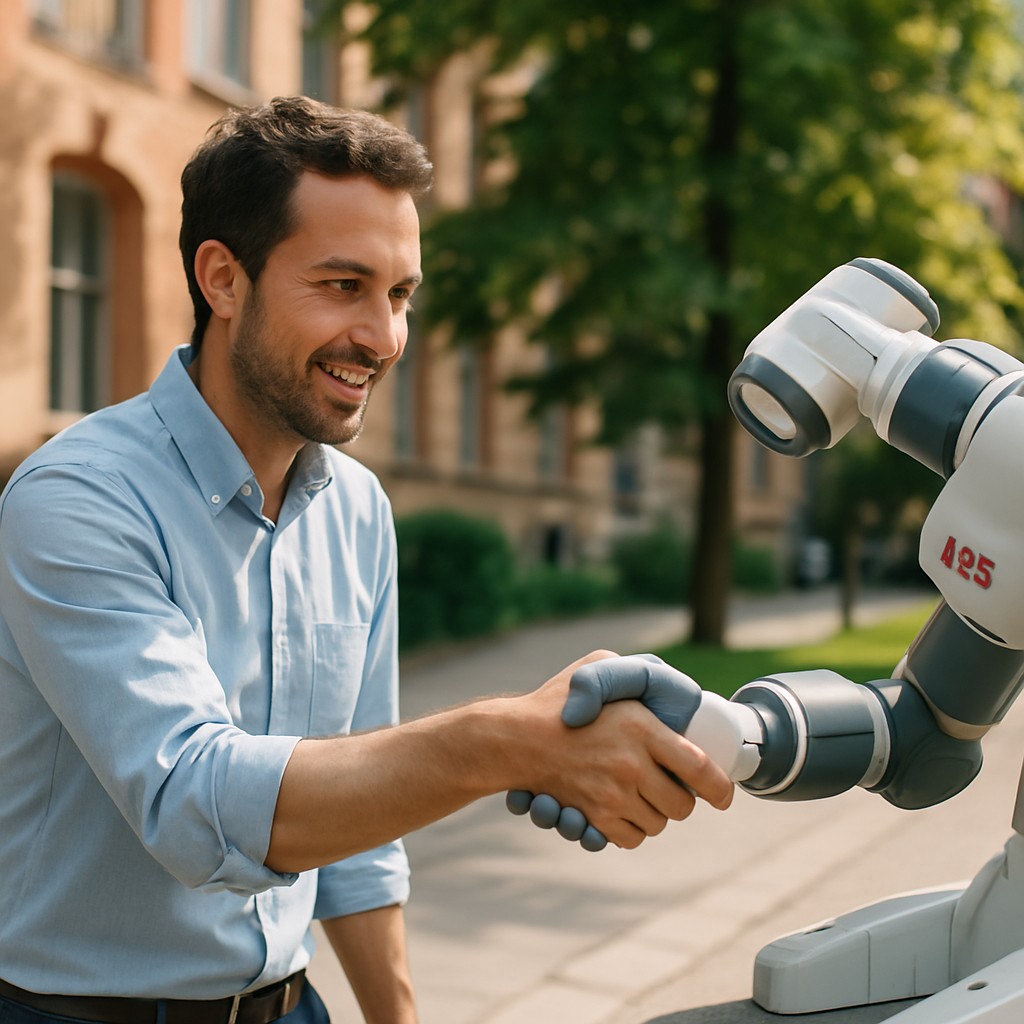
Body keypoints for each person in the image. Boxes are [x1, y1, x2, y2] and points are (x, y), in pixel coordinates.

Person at [0, 96, 733, 1024]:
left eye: (399, 296)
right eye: (342, 286)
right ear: (223, 280)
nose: (383, 338)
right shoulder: (78, 498)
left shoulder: (356, 510)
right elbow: (195, 802)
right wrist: (505, 741)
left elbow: (356, 834)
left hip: (294, 1007)